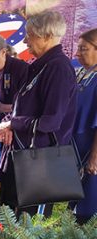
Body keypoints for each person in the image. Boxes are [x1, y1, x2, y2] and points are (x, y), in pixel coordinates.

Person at [0, 10, 77, 217]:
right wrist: (6, 124)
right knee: (7, 217)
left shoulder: (58, 68)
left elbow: (51, 122)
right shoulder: (40, 66)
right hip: (19, 156)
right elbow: (20, 107)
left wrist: (14, 124)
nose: (24, 40)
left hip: (39, 163)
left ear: (48, 36)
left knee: (27, 228)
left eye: (30, 35)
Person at [72, 28, 97, 223]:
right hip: (76, 151)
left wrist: (94, 158)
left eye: (83, 49)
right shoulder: (81, 74)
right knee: (75, 206)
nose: (77, 53)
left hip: (90, 155)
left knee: (88, 210)